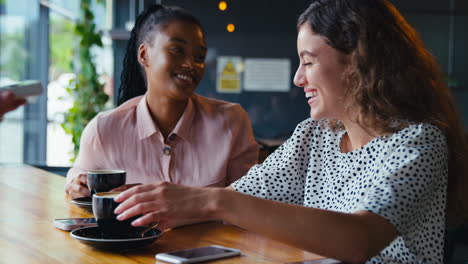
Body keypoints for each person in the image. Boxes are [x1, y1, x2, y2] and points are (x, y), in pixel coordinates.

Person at [112, 0, 468, 263]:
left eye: (308, 62)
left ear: (358, 62)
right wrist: (133, 202)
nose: (298, 78)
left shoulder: (419, 143)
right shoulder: (315, 136)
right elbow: (238, 198)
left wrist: (215, 200)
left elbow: (360, 240)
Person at [65, 5, 259, 199]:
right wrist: (76, 183)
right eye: (177, 50)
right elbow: (78, 183)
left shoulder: (231, 122)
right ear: (144, 55)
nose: (190, 64)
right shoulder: (104, 129)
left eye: (199, 57)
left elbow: (246, 205)